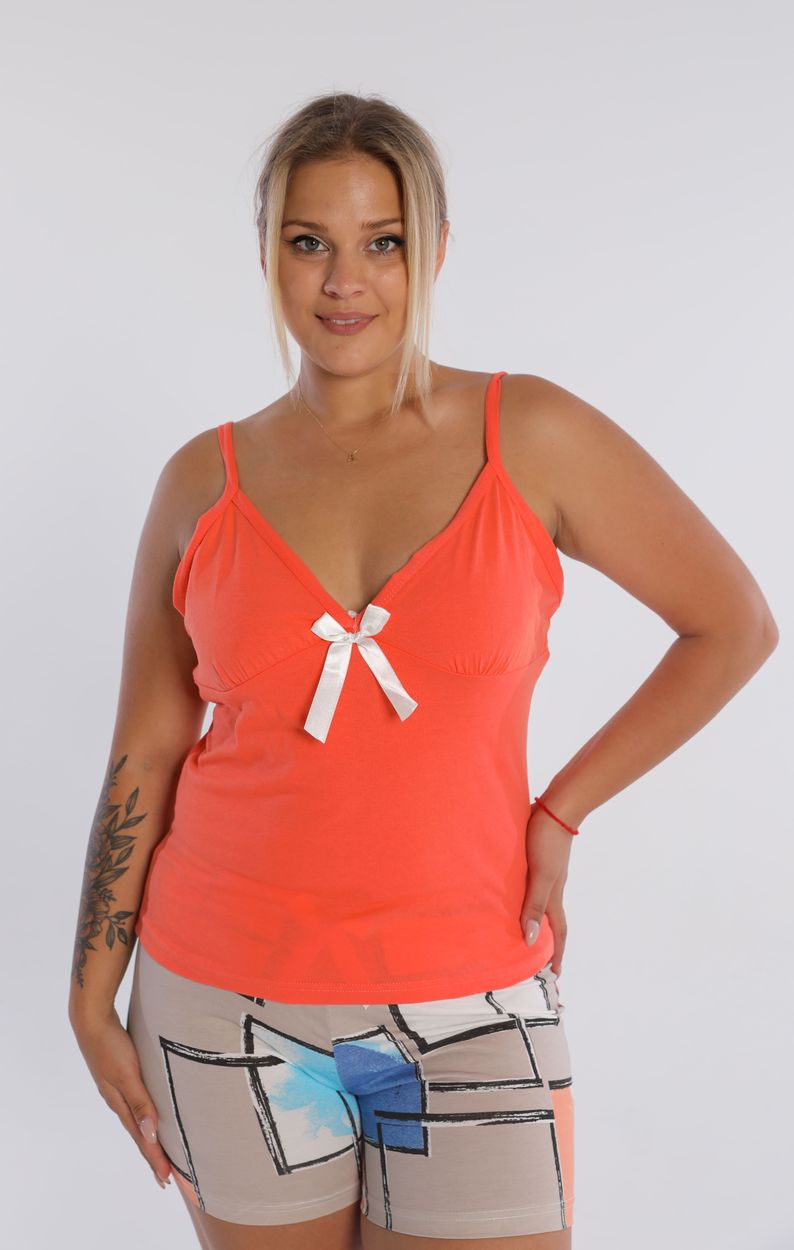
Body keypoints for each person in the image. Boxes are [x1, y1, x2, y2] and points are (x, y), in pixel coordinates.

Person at [67, 91, 778, 1250]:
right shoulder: (202, 480)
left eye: (382, 242)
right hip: (220, 994)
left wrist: (560, 808)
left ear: (433, 250)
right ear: (266, 252)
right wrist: (89, 992)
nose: (344, 281)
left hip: (474, 1002)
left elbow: (730, 624)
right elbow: (145, 748)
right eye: (309, 241)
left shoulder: (528, 433)